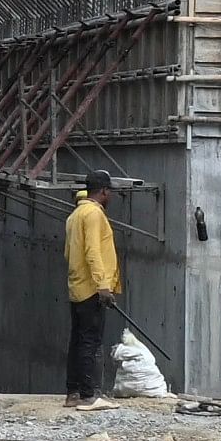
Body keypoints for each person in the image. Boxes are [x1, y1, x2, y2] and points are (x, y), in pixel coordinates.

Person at [64, 173, 124, 409]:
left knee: (77, 340)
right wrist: (103, 286)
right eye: (110, 192)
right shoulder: (94, 214)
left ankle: (73, 392)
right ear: (104, 191)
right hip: (92, 289)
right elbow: (93, 252)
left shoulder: (75, 214)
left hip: (77, 286)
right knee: (91, 341)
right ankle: (90, 395)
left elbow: (69, 253)